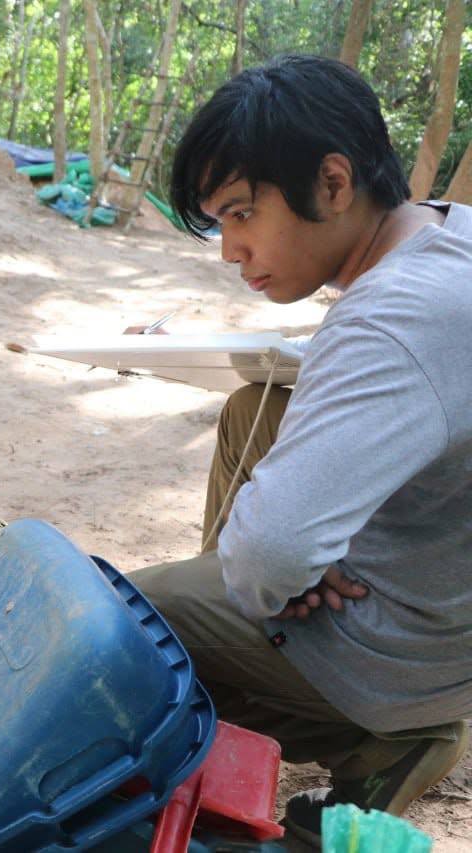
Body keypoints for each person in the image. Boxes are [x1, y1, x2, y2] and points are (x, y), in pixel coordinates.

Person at [127, 55, 471, 845]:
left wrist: (280, 570)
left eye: (242, 214)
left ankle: (378, 733)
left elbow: (269, 552)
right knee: (257, 409)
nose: (229, 249)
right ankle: (285, 662)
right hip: (452, 601)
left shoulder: (386, 321)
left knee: (115, 620)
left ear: (334, 182)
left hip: (402, 646)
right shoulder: (448, 235)